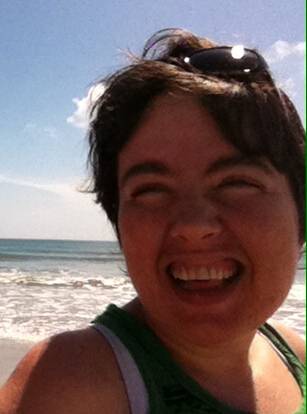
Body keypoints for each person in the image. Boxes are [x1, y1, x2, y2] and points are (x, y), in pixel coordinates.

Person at [0, 28, 305, 414]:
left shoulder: (295, 356)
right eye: (151, 190)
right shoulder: (72, 384)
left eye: (237, 182)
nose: (193, 226)